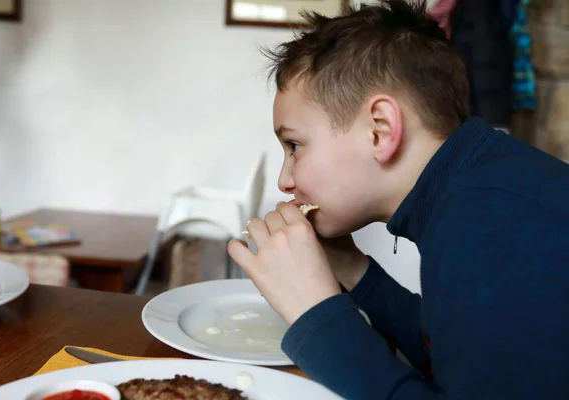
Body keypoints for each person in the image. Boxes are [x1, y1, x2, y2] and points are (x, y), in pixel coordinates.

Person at [227, 0, 569, 399]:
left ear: (380, 130)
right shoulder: (482, 189)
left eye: (294, 145)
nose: (286, 181)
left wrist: (314, 314)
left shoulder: (491, 223)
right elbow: (457, 356)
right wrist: (353, 268)